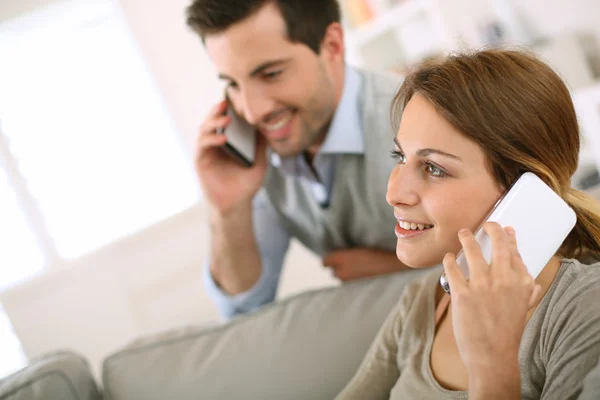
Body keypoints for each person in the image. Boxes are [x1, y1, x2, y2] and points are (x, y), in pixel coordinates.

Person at [335, 49, 600, 399]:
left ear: (527, 191)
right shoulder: (424, 301)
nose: (394, 193)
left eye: (434, 168)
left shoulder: (583, 307)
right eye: (400, 156)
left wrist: (491, 366)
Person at [186, 0, 411, 318]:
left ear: (332, 45)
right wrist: (227, 210)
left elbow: (495, 250)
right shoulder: (258, 156)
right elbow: (244, 309)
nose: (252, 112)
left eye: (271, 74)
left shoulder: (414, 119)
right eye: (233, 85)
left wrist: (397, 267)